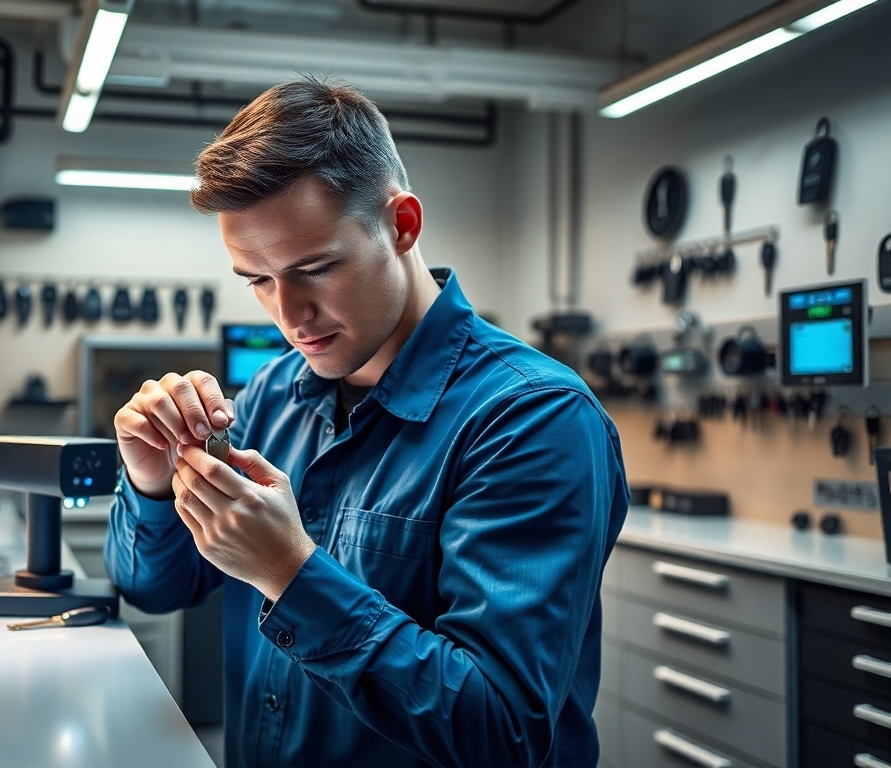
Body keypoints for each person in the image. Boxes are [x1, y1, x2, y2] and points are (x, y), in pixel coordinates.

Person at [104, 76, 628, 768]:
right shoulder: (272, 395)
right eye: (256, 280)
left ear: (402, 225)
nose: (289, 316)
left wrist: (293, 574)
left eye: (314, 268)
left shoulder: (532, 420)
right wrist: (149, 484)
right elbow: (155, 586)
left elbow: (502, 732)